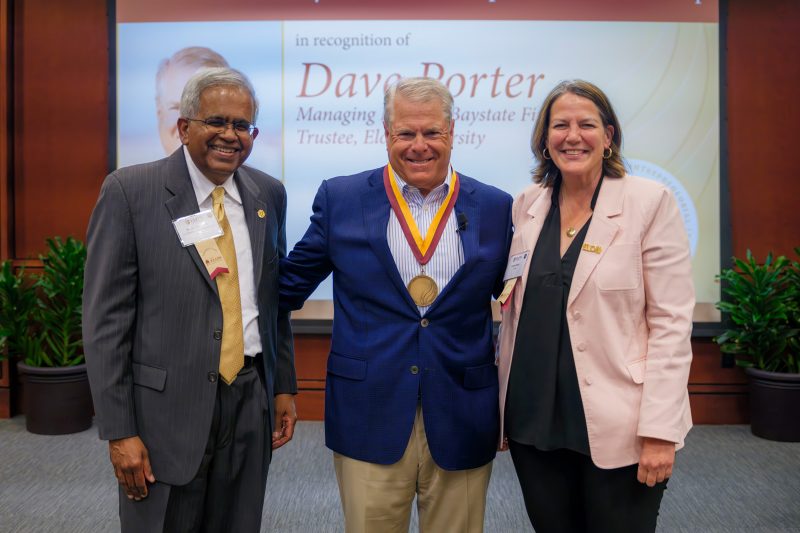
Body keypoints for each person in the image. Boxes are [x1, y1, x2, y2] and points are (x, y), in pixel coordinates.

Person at [280, 77, 512, 533]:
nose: (419, 146)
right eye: (406, 133)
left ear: (452, 132)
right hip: (369, 409)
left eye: (432, 133)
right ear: (386, 134)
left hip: (463, 411)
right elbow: (285, 289)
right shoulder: (342, 199)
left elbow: (523, 302)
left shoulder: (496, 206)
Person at [83, 67, 297, 532]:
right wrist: (119, 431)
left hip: (247, 398)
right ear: (183, 128)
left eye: (242, 126)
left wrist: (282, 388)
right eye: (216, 121)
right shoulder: (130, 192)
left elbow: (272, 301)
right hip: (164, 412)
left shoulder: (268, 194)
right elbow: (105, 322)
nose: (229, 135)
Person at [496, 79, 694, 533]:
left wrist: (660, 430)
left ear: (608, 137)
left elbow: (670, 323)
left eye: (586, 124)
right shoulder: (528, 205)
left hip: (621, 422)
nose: (572, 136)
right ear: (544, 140)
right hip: (534, 422)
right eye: (559, 125)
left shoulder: (649, 202)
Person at [156, 47, 229, 155]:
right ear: (159, 111)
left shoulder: (248, 172)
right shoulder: (134, 172)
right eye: (177, 108)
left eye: (202, 110)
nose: (186, 127)